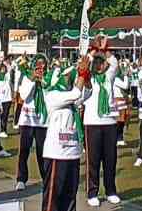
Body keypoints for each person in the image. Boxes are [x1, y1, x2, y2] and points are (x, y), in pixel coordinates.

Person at [41, 52, 92, 211]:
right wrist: (82, 73)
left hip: (72, 153)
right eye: (68, 75)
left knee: (70, 197)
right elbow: (76, 93)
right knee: (53, 198)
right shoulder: (52, 95)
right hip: (57, 154)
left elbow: (87, 92)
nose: (72, 77)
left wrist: (87, 75)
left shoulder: (71, 99)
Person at [82, 35, 120, 206]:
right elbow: (83, 65)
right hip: (92, 124)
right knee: (93, 160)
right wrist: (94, 52)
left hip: (110, 123)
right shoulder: (88, 79)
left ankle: (111, 190)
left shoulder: (109, 77)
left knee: (110, 159)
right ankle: (92, 193)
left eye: (101, 62)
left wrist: (105, 50)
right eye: (96, 63)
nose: (99, 65)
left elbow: (115, 63)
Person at [14, 53, 51, 190]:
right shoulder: (26, 77)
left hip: (42, 122)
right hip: (27, 121)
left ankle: (45, 179)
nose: (40, 68)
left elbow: (51, 96)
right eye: (38, 65)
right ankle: (21, 179)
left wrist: (43, 81)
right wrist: (32, 79)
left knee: (43, 152)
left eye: (42, 65)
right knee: (24, 151)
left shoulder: (49, 78)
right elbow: (23, 96)